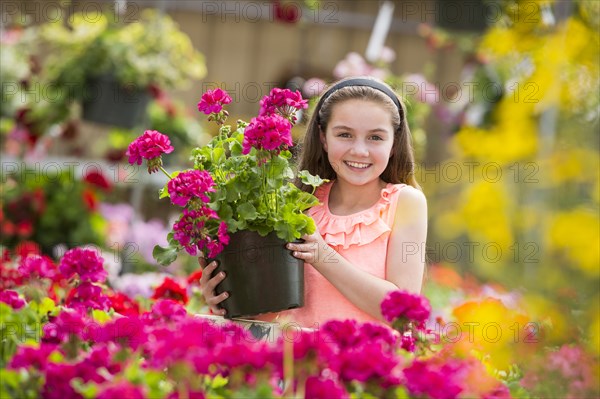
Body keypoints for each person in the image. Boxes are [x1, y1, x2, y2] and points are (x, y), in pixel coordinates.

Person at [199, 76, 427, 329]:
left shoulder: (405, 202)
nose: (360, 151)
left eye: (375, 137)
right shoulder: (298, 202)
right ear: (324, 137)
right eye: (344, 134)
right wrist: (227, 298)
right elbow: (273, 314)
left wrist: (324, 257)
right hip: (295, 361)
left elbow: (404, 314)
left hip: (364, 364)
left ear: (394, 143)